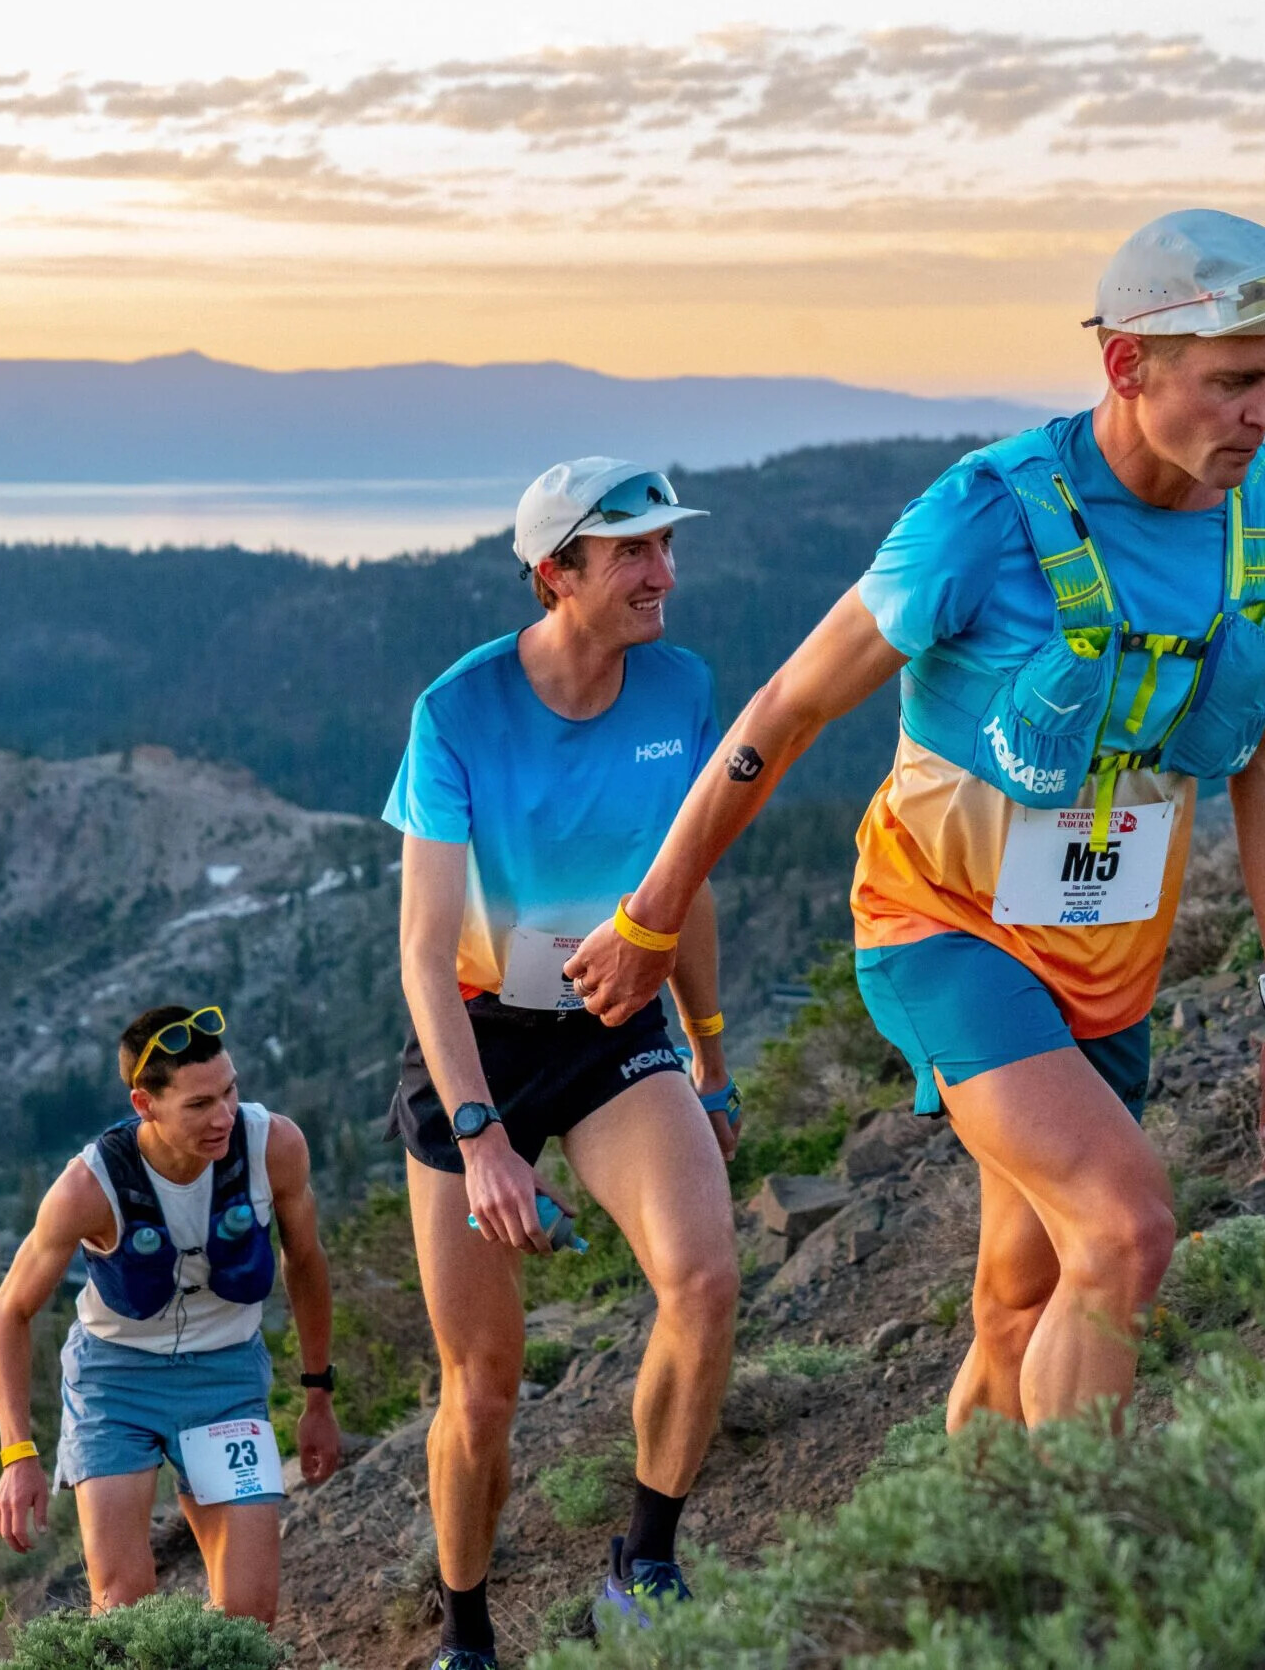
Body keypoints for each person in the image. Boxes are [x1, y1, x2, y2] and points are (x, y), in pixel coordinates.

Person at [568, 210, 1265, 1432]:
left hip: (1108, 959)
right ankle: (1083, 1543)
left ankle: (965, 1536)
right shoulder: (983, 517)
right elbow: (787, 709)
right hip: (941, 928)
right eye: (1234, 383)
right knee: (1126, 1228)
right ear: (1126, 365)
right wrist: (652, 916)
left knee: (1020, 1301)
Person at [385, 457, 743, 1669]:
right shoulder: (459, 711)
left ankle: (646, 1561)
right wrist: (480, 1139)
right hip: (476, 1044)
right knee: (483, 1385)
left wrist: (709, 1054)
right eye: (632, 551)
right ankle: (465, 1634)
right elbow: (423, 954)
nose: (662, 572)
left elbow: (683, 887)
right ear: (555, 575)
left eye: (666, 547)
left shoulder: (682, 688)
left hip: (611, 1027)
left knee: (704, 1280)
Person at [0, 1003, 341, 1623]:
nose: (223, 1116)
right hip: (115, 1382)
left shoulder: (273, 1146)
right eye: (199, 1104)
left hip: (226, 1377)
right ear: (144, 1104)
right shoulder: (88, 1187)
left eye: (229, 1092)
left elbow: (305, 1263)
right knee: (122, 1606)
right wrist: (17, 1454)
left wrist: (318, 1396)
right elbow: (10, 1312)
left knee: (249, 1616)